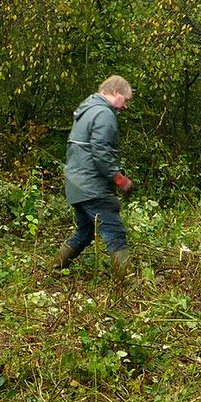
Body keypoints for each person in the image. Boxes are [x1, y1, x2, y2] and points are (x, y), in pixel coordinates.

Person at [56, 75, 134, 285]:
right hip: (92, 186)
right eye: (125, 100)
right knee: (115, 232)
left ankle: (54, 270)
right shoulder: (103, 114)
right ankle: (126, 284)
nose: (125, 106)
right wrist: (118, 179)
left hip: (76, 184)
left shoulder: (86, 110)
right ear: (115, 92)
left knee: (85, 231)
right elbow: (101, 151)